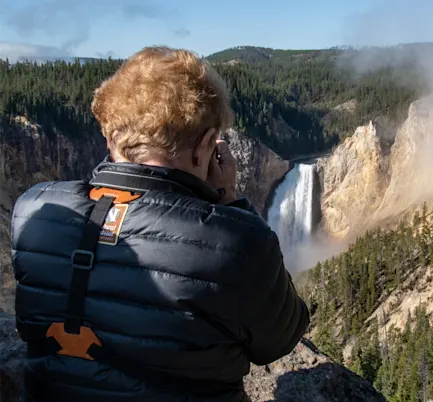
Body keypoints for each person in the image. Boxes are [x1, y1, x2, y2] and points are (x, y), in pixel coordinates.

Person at [11, 46, 309, 402]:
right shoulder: (237, 240)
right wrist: (229, 201)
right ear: (204, 148)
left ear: (109, 138)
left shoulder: (33, 206)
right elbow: (279, 339)